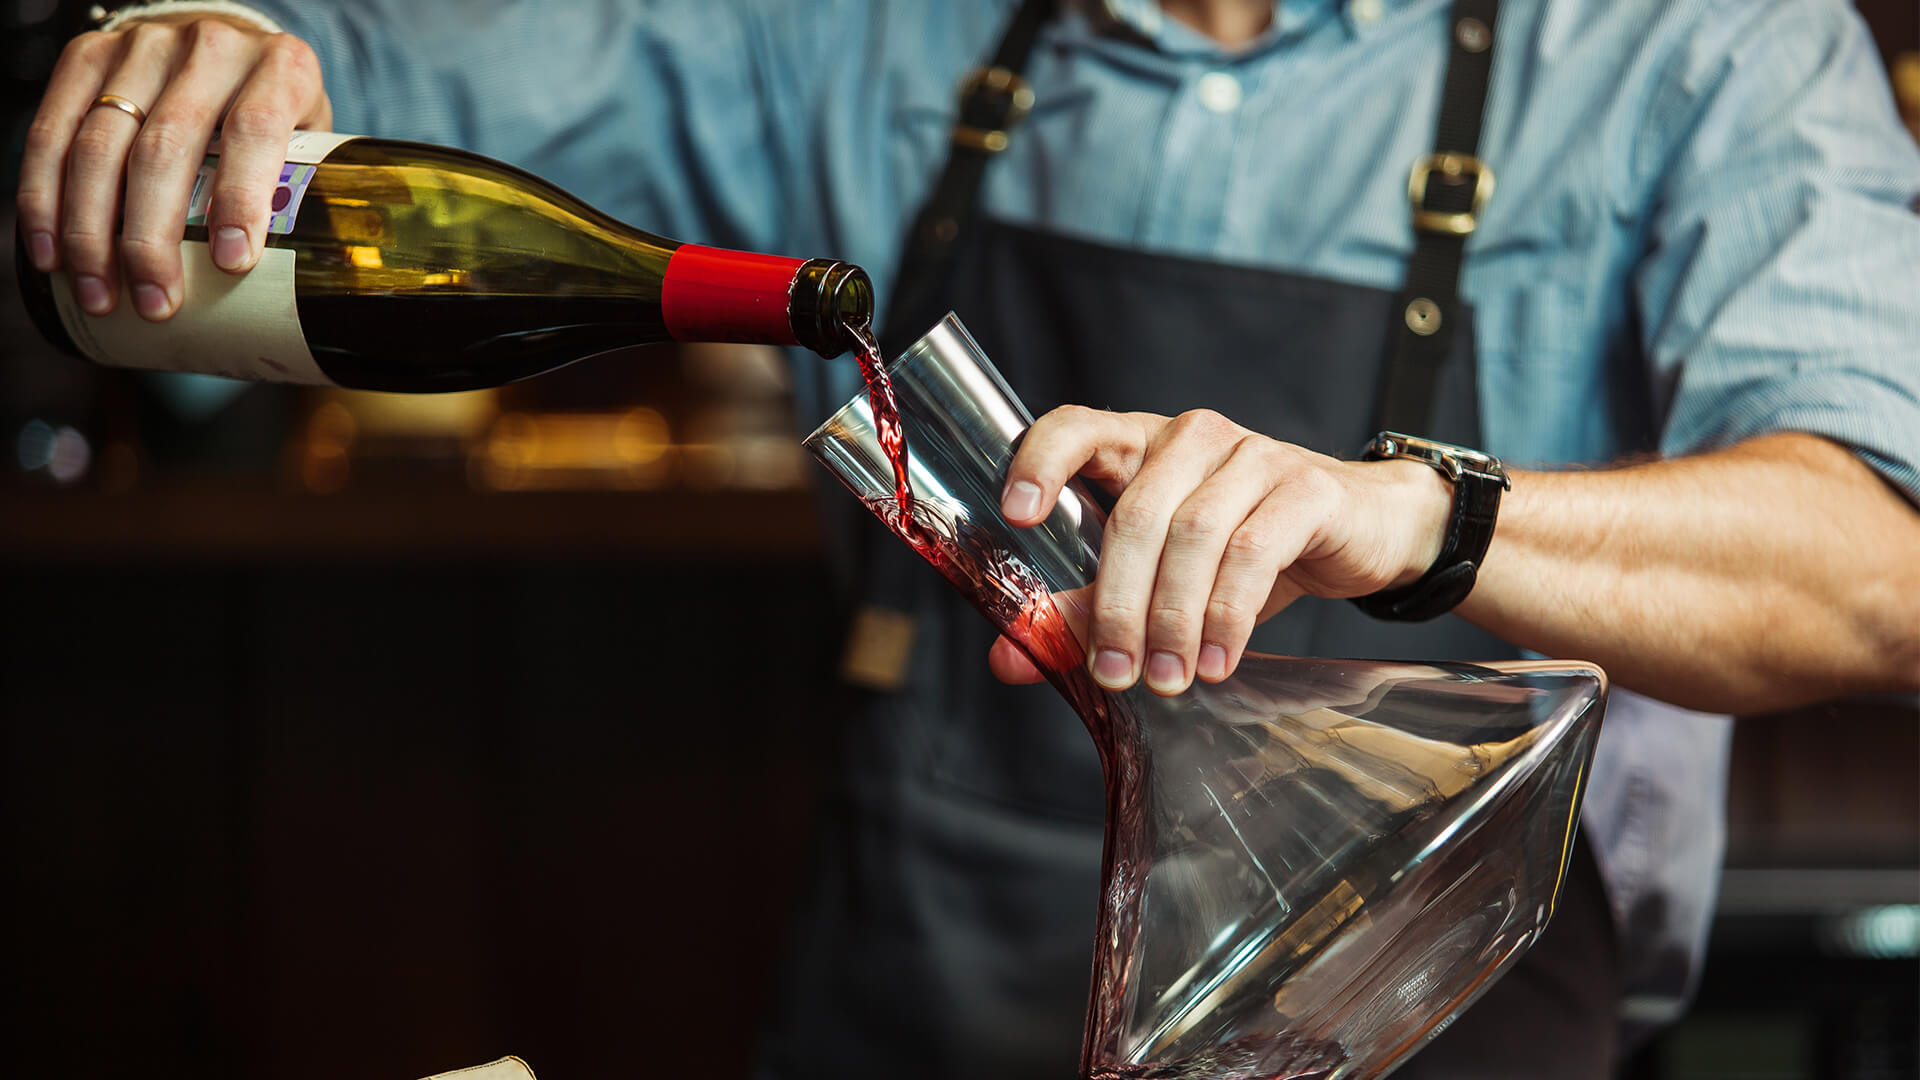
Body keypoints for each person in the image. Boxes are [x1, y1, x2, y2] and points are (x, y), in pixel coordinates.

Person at [17, 0, 1920, 1076]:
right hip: (907, 1005)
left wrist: (1414, 512)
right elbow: (336, 124)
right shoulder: (861, 25)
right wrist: (206, 47)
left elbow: (1883, 563)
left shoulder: (1696, 44)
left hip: (1432, 1014)